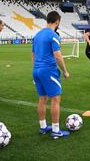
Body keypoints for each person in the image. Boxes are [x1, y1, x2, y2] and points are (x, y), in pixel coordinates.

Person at [32, 11, 70, 139]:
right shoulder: (53, 35)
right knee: (55, 99)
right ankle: (55, 130)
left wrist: (35, 70)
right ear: (57, 22)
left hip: (36, 70)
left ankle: (43, 127)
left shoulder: (37, 35)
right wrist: (65, 71)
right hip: (48, 70)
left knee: (42, 99)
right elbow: (58, 56)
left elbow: (33, 55)